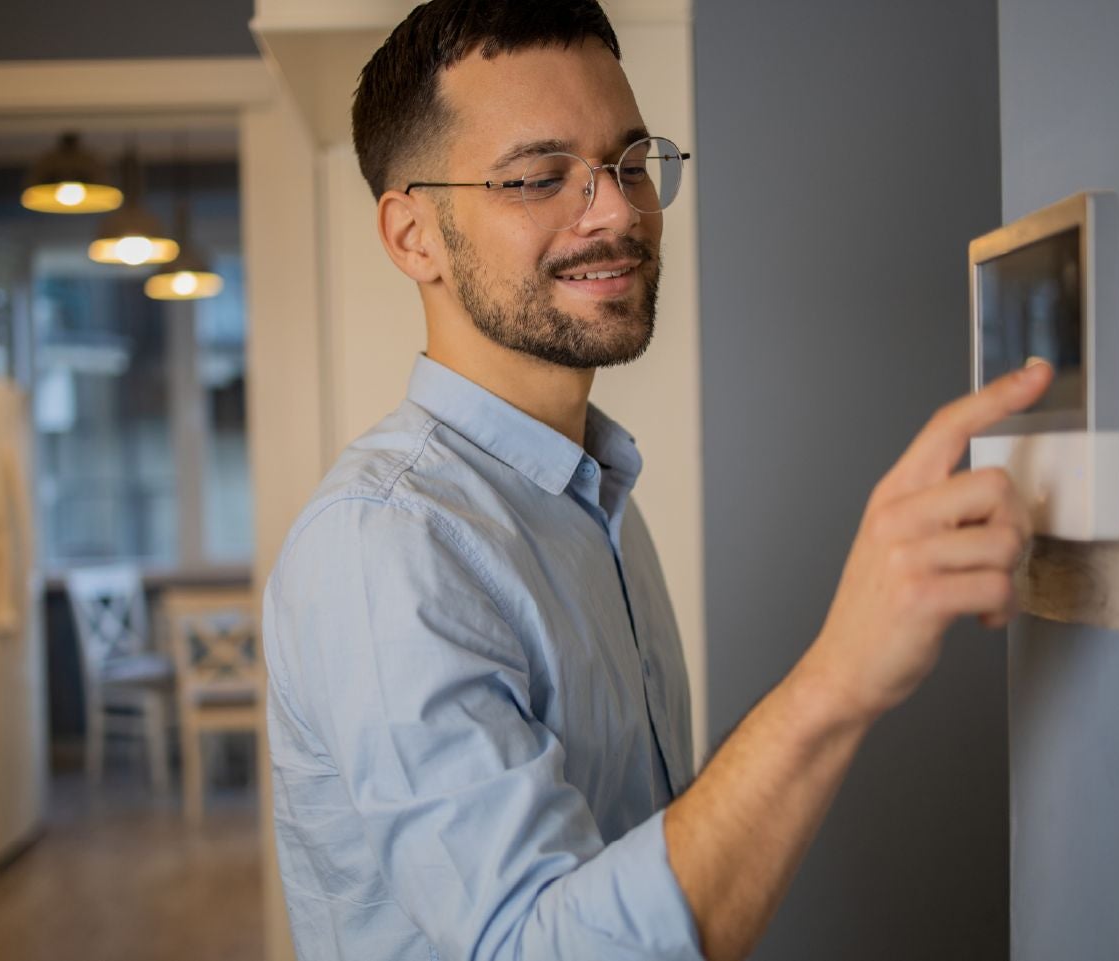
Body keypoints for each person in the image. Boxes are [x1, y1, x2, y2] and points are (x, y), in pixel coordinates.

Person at [262, 2, 1052, 959]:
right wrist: (839, 676)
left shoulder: (589, 493)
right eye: (538, 177)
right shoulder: (388, 543)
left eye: (630, 162)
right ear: (412, 236)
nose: (617, 210)